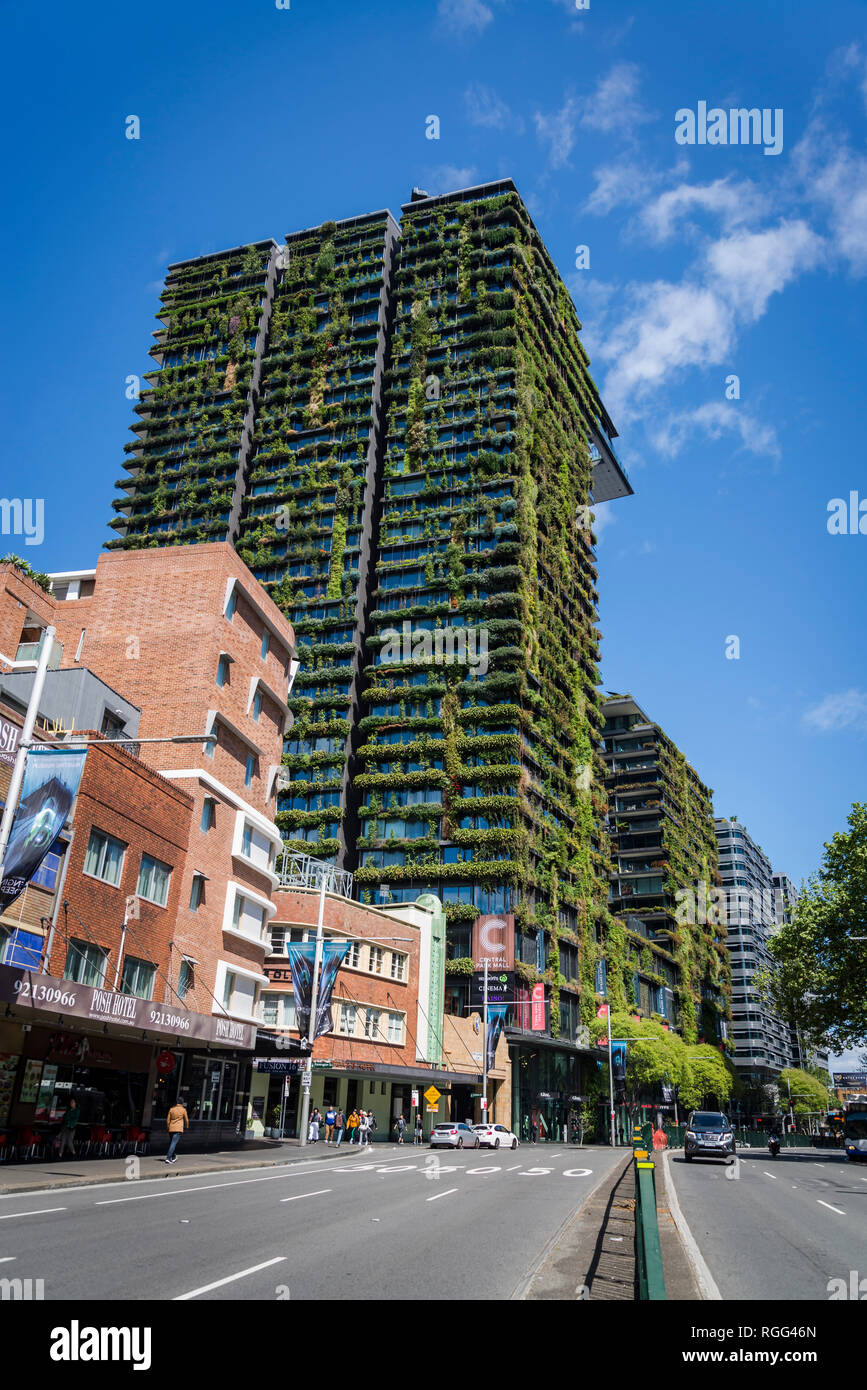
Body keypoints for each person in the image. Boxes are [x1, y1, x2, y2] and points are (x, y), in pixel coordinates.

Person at [165, 1097, 189, 1165]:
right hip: (178, 1129)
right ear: (182, 1103)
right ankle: (168, 1158)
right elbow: (186, 1120)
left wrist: (168, 1127)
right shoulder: (183, 1110)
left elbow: (168, 1120)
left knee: (172, 1143)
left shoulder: (171, 1109)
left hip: (171, 1128)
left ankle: (174, 1156)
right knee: (173, 1144)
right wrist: (186, 1127)